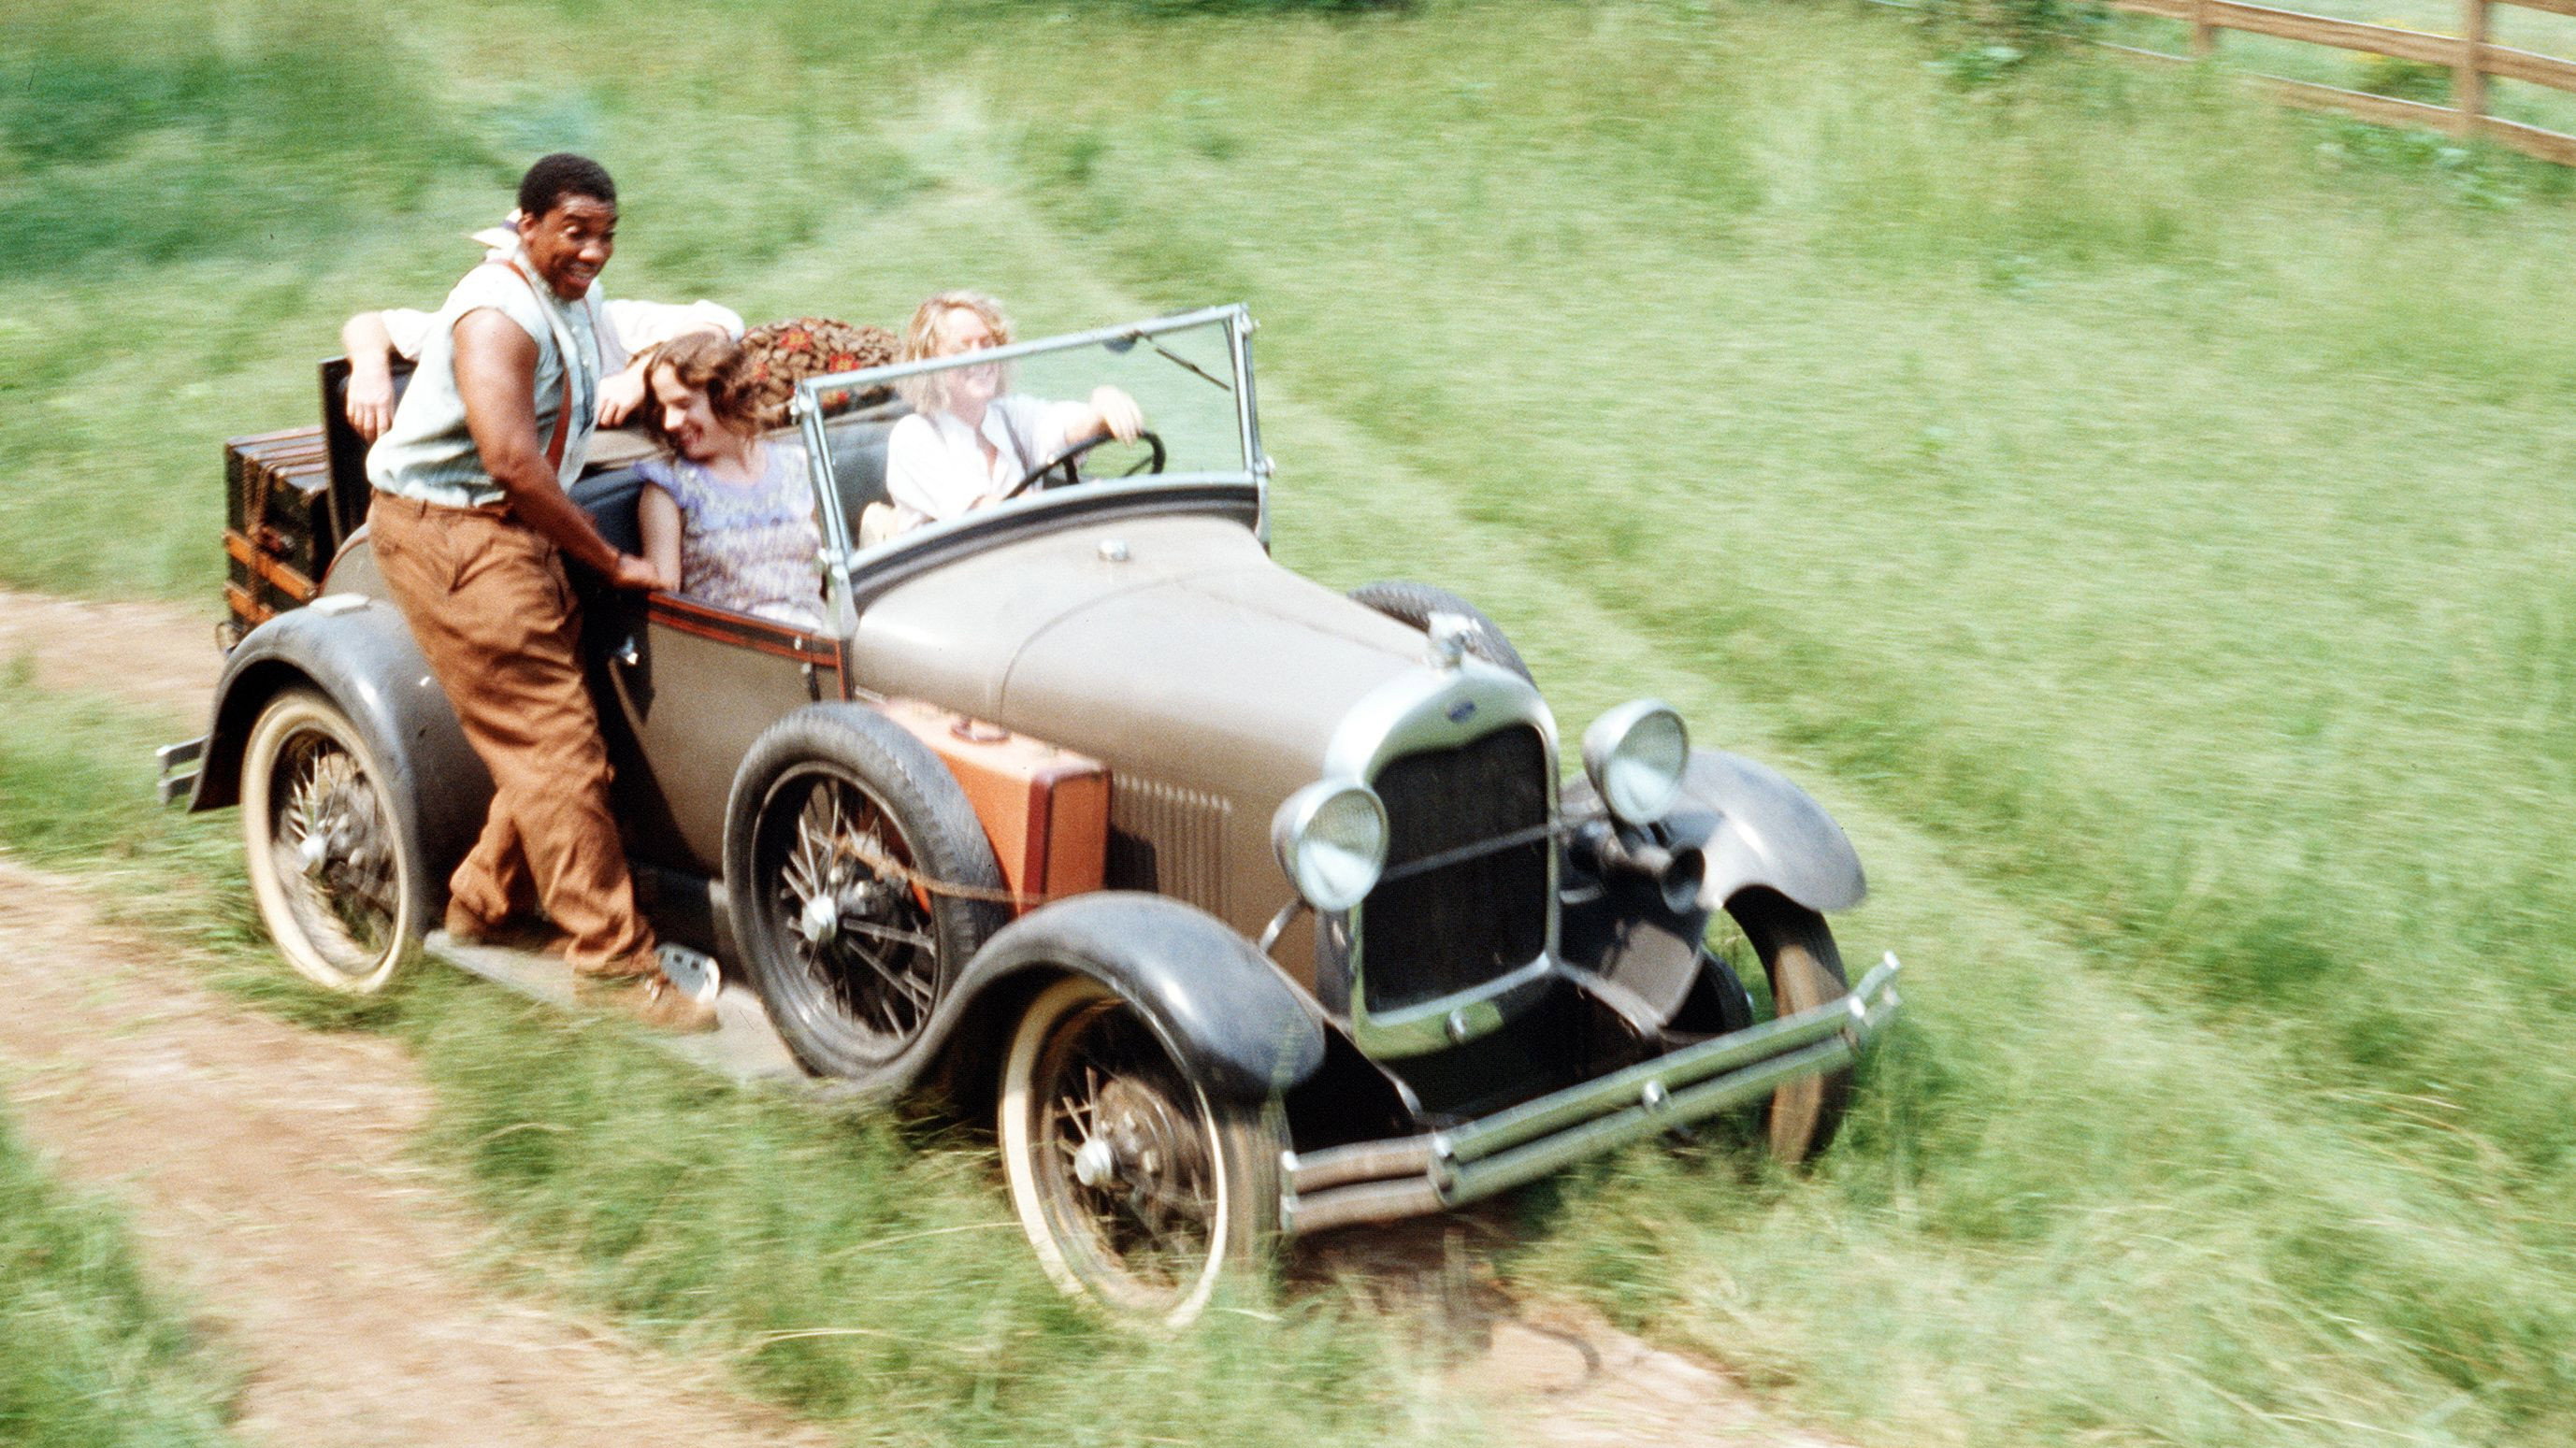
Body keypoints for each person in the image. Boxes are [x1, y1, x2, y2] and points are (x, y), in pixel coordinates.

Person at [364, 152, 715, 1032]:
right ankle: (612, 966)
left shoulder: (570, 295)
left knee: (561, 741)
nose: (594, 250)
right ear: (525, 226)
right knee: (558, 753)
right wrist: (610, 560)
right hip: (458, 535)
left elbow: (703, 326)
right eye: (575, 232)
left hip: (508, 530)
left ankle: (482, 904)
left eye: (607, 234)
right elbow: (513, 464)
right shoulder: (497, 313)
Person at [339, 223, 741, 442]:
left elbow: (716, 322)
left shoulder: (601, 320)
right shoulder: (481, 326)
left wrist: (638, 378)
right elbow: (370, 324)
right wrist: (370, 369)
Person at [879, 291, 1146, 536]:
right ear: (929, 364)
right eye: (961, 348)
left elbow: (1070, 427)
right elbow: (982, 515)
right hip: (950, 566)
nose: (979, 357)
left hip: (1026, 553)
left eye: (987, 344)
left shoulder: (1009, 415)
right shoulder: (914, 436)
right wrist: (1081, 500)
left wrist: (1103, 406)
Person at [633, 331, 827, 630]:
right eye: (663, 408)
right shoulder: (668, 487)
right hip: (731, 647)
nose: (669, 422)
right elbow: (664, 600)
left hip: (816, 636)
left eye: (683, 404)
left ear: (727, 395)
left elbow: (832, 574)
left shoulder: (800, 465)